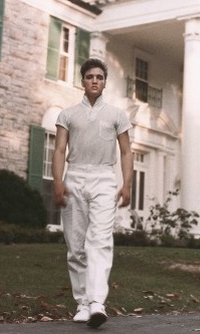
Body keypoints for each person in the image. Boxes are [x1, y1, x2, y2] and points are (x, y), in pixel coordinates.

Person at [52, 58, 133, 328]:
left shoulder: (117, 115)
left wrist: (127, 184)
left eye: (99, 76)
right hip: (74, 176)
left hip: (103, 178)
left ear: (105, 81)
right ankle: (83, 304)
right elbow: (59, 150)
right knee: (76, 246)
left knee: (99, 240)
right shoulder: (67, 114)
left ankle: (97, 301)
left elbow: (125, 151)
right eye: (89, 77)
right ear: (83, 81)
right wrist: (57, 182)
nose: (95, 80)